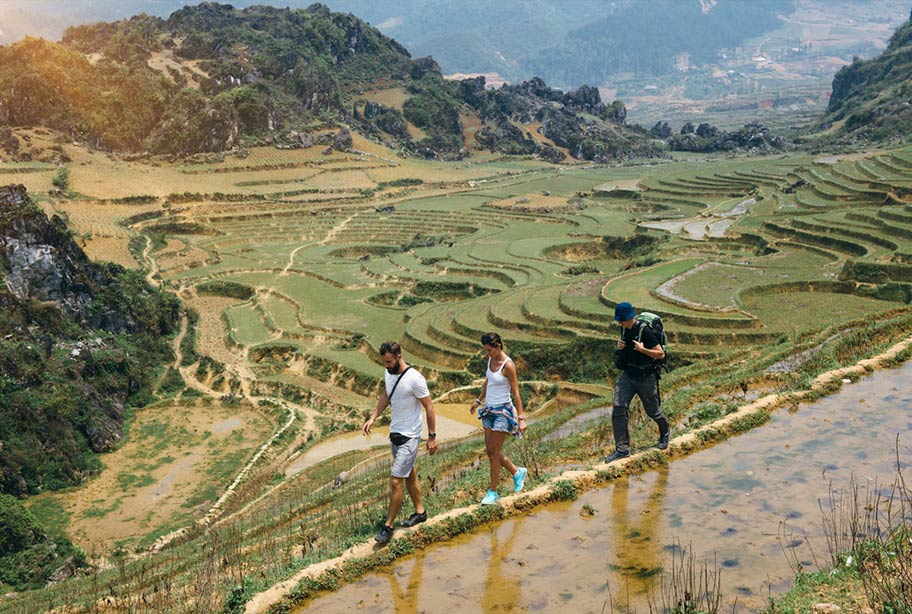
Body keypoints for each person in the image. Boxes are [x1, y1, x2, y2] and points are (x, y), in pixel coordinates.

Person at [363, 341, 438, 544]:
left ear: (398, 356)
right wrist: (373, 417)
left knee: (396, 480)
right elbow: (387, 395)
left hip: (410, 437)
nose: (386, 366)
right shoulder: (389, 374)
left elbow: (429, 407)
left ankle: (388, 526)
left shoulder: (415, 379)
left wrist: (431, 437)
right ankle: (420, 512)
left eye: (389, 362)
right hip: (395, 434)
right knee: (409, 474)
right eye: (384, 363)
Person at [604, 302, 670, 463]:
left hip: (645, 377)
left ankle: (665, 432)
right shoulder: (624, 329)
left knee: (652, 411)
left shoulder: (645, 331)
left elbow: (660, 354)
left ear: (630, 318)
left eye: (622, 320)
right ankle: (622, 449)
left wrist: (643, 350)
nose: (620, 323)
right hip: (628, 375)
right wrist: (619, 347)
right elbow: (624, 353)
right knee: (619, 408)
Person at [470, 332, 528, 505]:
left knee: (494, 452)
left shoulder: (508, 365)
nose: (487, 354)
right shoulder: (490, 360)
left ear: (498, 347)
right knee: (490, 451)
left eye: (489, 350)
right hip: (489, 410)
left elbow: (516, 392)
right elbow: (488, 382)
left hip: (503, 412)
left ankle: (493, 491)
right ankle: (517, 472)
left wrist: (521, 417)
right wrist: (478, 401)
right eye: (485, 351)